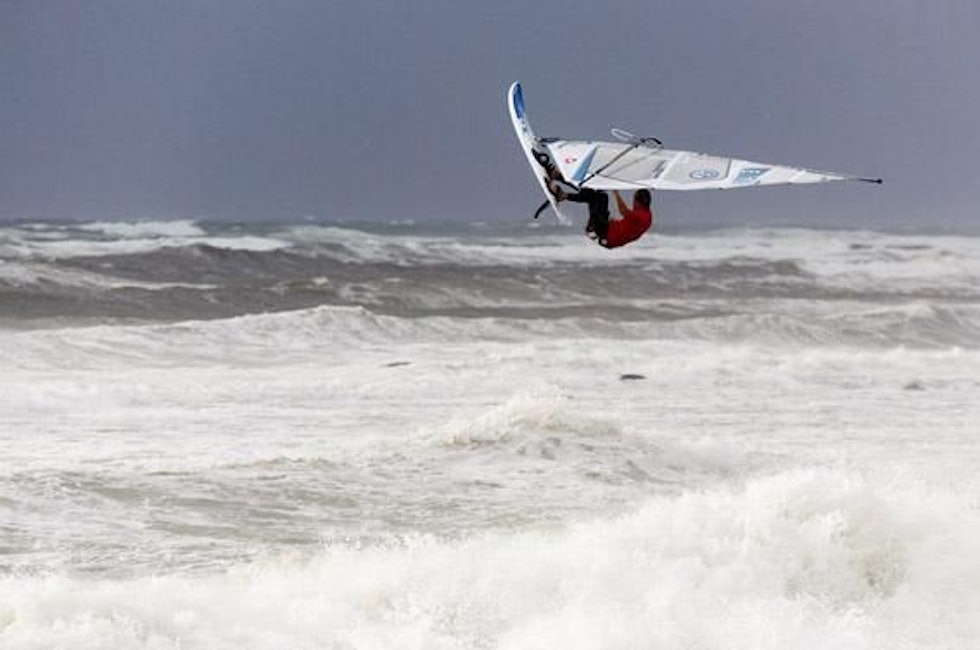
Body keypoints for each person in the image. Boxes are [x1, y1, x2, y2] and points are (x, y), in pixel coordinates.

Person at [558, 185, 654, 249]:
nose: (632, 203)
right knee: (602, 196)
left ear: (638, 201)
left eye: (634, 199)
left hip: (602, 234)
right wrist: (615, 223)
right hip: (606, 228)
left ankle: (563, 191)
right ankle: (564, 193)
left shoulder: (640, 215)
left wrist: (616, 192)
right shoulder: (647, 215)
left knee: (594, 196)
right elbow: (631, 229)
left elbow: (623, 210)